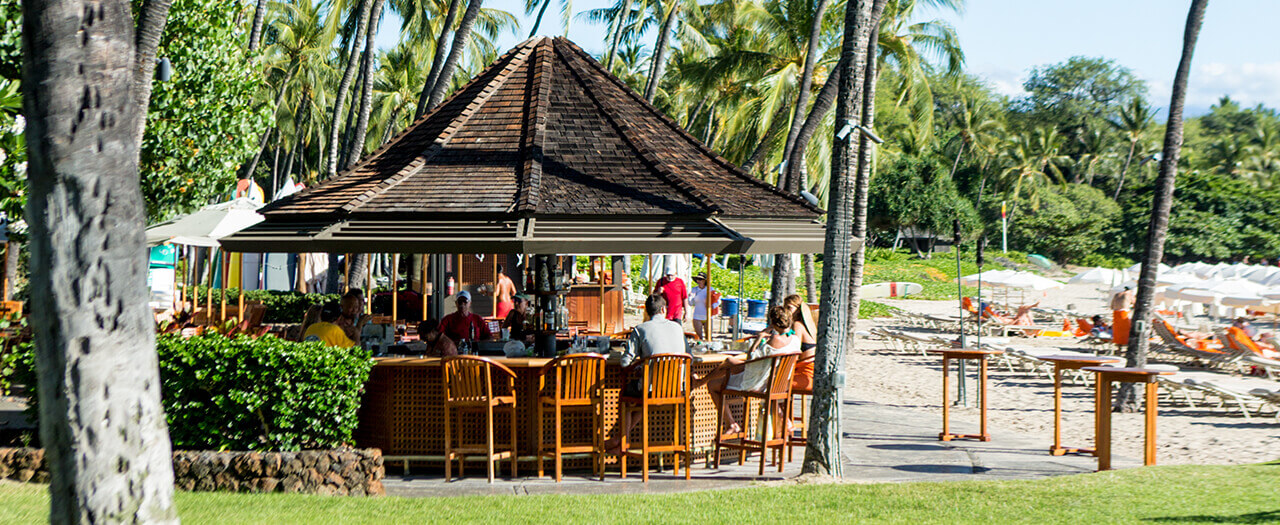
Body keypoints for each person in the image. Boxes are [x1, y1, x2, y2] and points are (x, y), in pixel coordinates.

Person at [696, 305, 798, 434]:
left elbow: (752, 356)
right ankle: (785, 421)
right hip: (777, 383)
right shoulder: (795, 339)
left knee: (714, 383)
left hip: (756, 383)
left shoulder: (774, 339)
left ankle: (731, 423)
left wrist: (759, 338)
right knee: (729, 363)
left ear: (773, 322)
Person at [607, 295, 689, 453]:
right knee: (641, 401)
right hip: (677, 389)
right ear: (664, 309)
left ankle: (622, 441)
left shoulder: (640, 329)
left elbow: (625, 363)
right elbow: (689, 356)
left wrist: (640, 366)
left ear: (647, 311)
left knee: (628, 398)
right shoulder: (678, 328)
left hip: (650, 388)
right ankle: (620, 440)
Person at [687, 272, 716, 340]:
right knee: (698, 337)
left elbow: (717, 301)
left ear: (705, 281)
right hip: (697, 316)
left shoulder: (710, 289)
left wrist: (712, 306)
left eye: (700, 279)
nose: (698, 281)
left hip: (707, 316)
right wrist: (691, 296)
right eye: (697, 279)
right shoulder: (694, 289)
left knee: (708, 337)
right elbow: (691, 303)